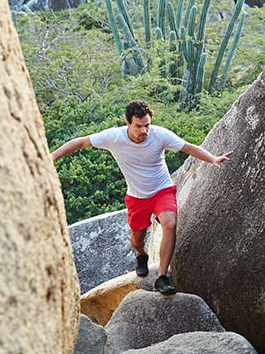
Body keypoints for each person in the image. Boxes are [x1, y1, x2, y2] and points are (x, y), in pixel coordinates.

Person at [51, 100, 233, 295]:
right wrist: (52, 157)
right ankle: (141, 255)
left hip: (162, 190)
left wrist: (212, 158)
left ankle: (162, 278)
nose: (144, 130)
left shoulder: (159, 135)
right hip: (137, 197)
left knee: (169, 224)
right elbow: (81, 142)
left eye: (147, 125)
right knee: (137, 240)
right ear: (128, 124)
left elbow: (188, 147)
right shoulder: (114, 137)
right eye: (138, 126)